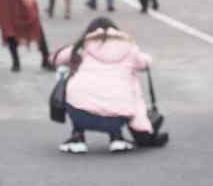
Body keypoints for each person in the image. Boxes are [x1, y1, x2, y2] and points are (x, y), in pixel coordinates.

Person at [53, 17, 168, 153]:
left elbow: (56, 59)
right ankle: (116, 136)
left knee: (72, 83)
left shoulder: (84, 45)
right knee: (122, 89)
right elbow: (146, 62)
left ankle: (77, 135)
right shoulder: (128, 47)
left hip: (80, 113)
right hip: (118, 116)